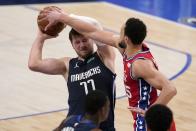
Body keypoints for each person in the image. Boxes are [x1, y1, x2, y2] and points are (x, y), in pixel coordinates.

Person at [41, 7, 177, 131]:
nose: (119, 33)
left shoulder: (139, 64)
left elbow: (170, 89)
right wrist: (63, 17)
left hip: (152, 123)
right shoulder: (126, 48)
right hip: (145, 120)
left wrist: (150, 113)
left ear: (127, 39)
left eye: (121, 31)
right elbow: (92, 31)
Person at [28, 15, 116, 131]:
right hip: (74, 125)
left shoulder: (105, 57)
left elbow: (95, 25)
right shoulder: (67, 65)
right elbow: (34, 64)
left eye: (85, 40)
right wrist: (40, 37)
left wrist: (64, 16)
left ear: (92, 39)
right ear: (72, 44)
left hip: (103, 127)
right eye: (77, 42)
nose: (82, 45)